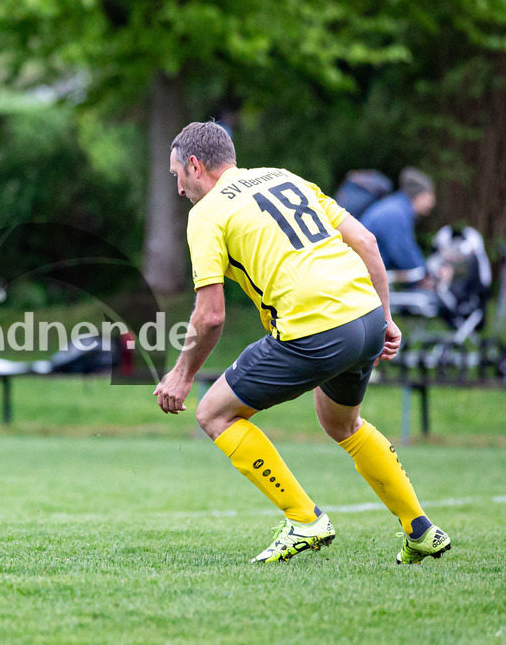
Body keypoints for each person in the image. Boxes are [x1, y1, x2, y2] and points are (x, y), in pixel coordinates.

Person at [153, 121, 451, 564]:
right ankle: (420, 529)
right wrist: (385, 317)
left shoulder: (207, 213)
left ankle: (305, 520)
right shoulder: (284, 177)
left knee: (213, 412)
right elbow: (366, 242)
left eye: (177, 175)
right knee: (342, 424)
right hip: (365, 316)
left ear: (195, 165)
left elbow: (211, 315)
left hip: (316, 328)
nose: (178, 189)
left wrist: (181, 375)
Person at [360, 167, 437, 286]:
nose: (432, 203)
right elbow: (403, 253)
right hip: (364, 276)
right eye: (429, 196)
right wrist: (425, 273)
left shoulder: (396, 207)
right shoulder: (396, 213)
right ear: (419, 195)